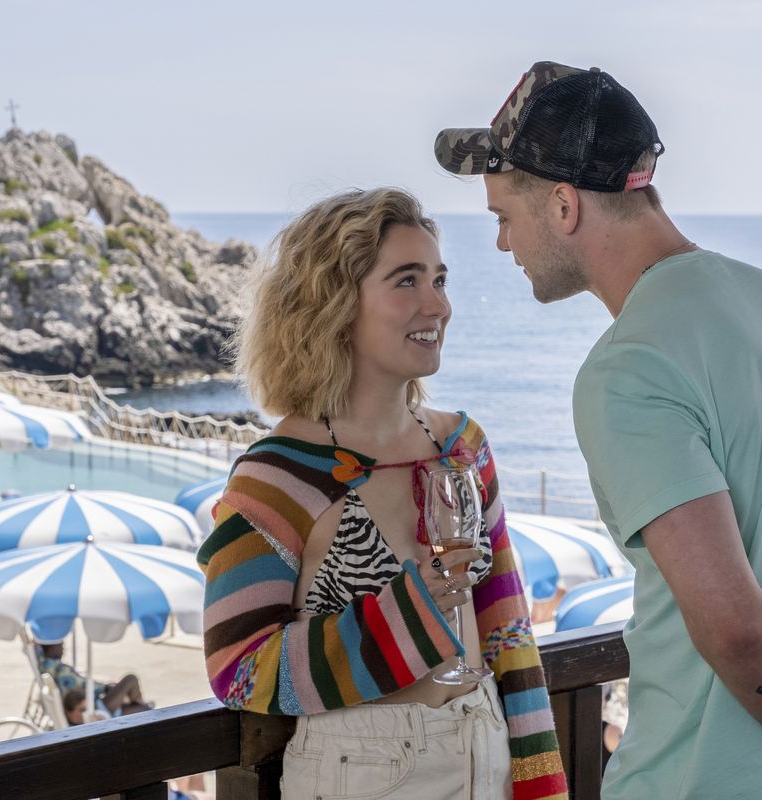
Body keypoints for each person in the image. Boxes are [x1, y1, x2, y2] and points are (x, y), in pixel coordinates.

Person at [435, 62, 762, 800]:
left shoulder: (630, 368)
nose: (503, 245)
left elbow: (734, 623)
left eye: (503, 218)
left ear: (564, 205)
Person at [197, 188, 567, 800]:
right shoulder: (280, 475)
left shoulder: (463, 447)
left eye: (440, 279)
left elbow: (506, 628)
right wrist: (407, 617)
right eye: (407, 281)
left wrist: (541, 781)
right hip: (362, 772)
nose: (439, 305)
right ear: (335, 305)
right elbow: (237, 668)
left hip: (488, 747)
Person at [37, 641, 151, 716]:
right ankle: (139, 703)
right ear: (52, 647)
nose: (63, 648)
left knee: (141, 706)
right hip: (94, 708)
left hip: (91, 704)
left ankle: (138, 704)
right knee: (131, 680)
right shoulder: (61, 671)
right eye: (60, 645)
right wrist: (106, 686)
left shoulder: (49, 667)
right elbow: (87, 687)